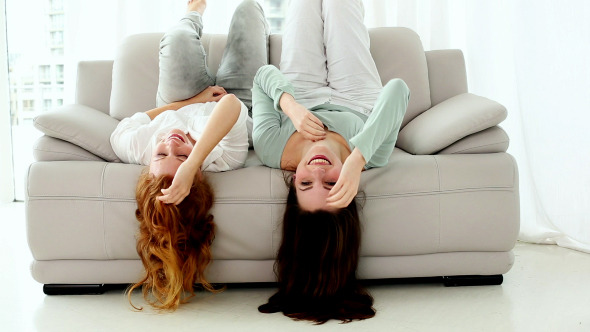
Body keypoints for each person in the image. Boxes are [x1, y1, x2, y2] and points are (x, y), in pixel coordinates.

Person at [252, 0, 409, 323]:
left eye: (307, 183)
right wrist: (356, 159)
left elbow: (262, 76)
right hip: (357, 96)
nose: (319, 169)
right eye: (332, 183)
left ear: (293, 183)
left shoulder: (271, 149)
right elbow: (398, 90)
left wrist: (291, 107)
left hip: (301, 91)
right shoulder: (371, 154)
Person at [110, 0, 269, 311]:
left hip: (181, 99)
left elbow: (130, 123)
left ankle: (194, 9)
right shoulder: (222, 157)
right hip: (237, 98)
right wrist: (194, 159)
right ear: (196, 173)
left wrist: (189, 102)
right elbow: (232, 105)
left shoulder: (136, 146)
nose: (173, 142)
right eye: (181, 155)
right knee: (249, 10)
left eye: (161, 152)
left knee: (177, 40)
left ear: (147, 164)